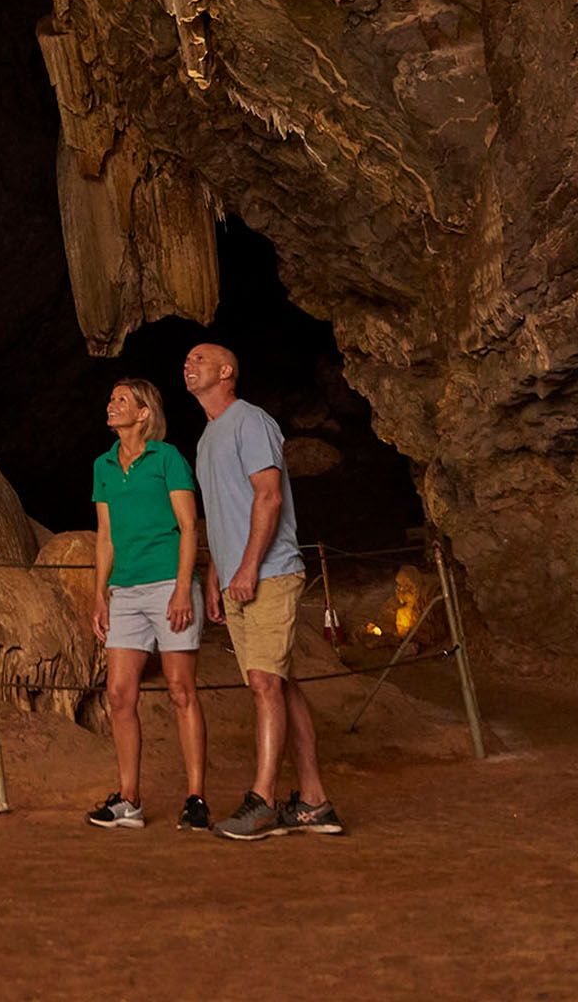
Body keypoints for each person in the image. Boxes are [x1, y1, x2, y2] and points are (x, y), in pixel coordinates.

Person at [186, 342, 346, 840]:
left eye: (199, 359)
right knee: (281, 683)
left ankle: (263, 802)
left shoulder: (249, 422)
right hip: (239, 576)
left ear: (227, 370)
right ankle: (315, 802)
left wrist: (250, 568)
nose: (188, 364)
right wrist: (215, 574)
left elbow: (269, 495)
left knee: (263, 684)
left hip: (269, 571)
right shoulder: (209, 436)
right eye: (187, 360)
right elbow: (220, 513)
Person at [84, 377, 209, 831]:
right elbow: (105, 536)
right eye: (111, 397)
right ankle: (129, 798)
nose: (111, 404)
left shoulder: (167, 458)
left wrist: (181, 588)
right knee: (119, 694)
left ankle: (196, 798)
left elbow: (188, 526)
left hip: (166, 583)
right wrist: (100, 594)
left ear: (143, 413)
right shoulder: (102, 465)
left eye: (121, 400)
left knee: (181, 690)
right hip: (127, 589)